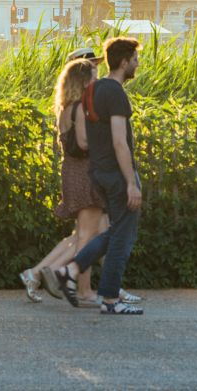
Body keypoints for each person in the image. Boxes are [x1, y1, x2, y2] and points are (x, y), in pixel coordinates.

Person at [56, 36, 144, 315]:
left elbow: (89, 138)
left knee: (115, 230)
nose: (137, 64)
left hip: (99, 173)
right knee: (123, 237)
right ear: (124, 61)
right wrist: (131, 182)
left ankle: (71, 269)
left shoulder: (92, 91)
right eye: (135, 59)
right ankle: (109, 300)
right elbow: (120, 141)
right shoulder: (116, 93)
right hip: (118, 175)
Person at [19, 51, 104, 306]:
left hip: (72, 171)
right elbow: (84, 143)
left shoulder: (65, 109)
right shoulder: (80, 109)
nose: (96, 80)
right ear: (83, 81)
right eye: (93, 76)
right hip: (86, 173)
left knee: (83, 235)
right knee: (87, 237)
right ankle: (63, 280)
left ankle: (38, 274)